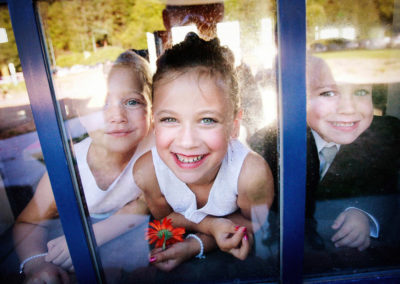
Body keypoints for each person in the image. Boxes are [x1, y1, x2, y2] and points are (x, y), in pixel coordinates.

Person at [133, 33, 274, 272]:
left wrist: (196, 244)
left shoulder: (251, 174)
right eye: (170, 119)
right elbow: (168, 221)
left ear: (234, 124)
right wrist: (211, 228)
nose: (187, 142)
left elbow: (252, 223)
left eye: (207, 120)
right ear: (154, 122)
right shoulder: (148, 172)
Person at [13, 50, 154, 283]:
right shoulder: (70, 167)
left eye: (132, 102)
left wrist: (88, 238)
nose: (117, 115)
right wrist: (36, 264)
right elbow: (28, 222)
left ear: (152, 108)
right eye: (101, 104)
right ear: (79, 115)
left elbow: (144, 203)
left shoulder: (157, 147)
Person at [249, 56, 400, 253]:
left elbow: (388, 185)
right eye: (328, 93)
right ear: (297, 99)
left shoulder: (388, 135)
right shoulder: (269, 144)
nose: (348, 108)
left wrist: (366, 213)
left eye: (361, 91)